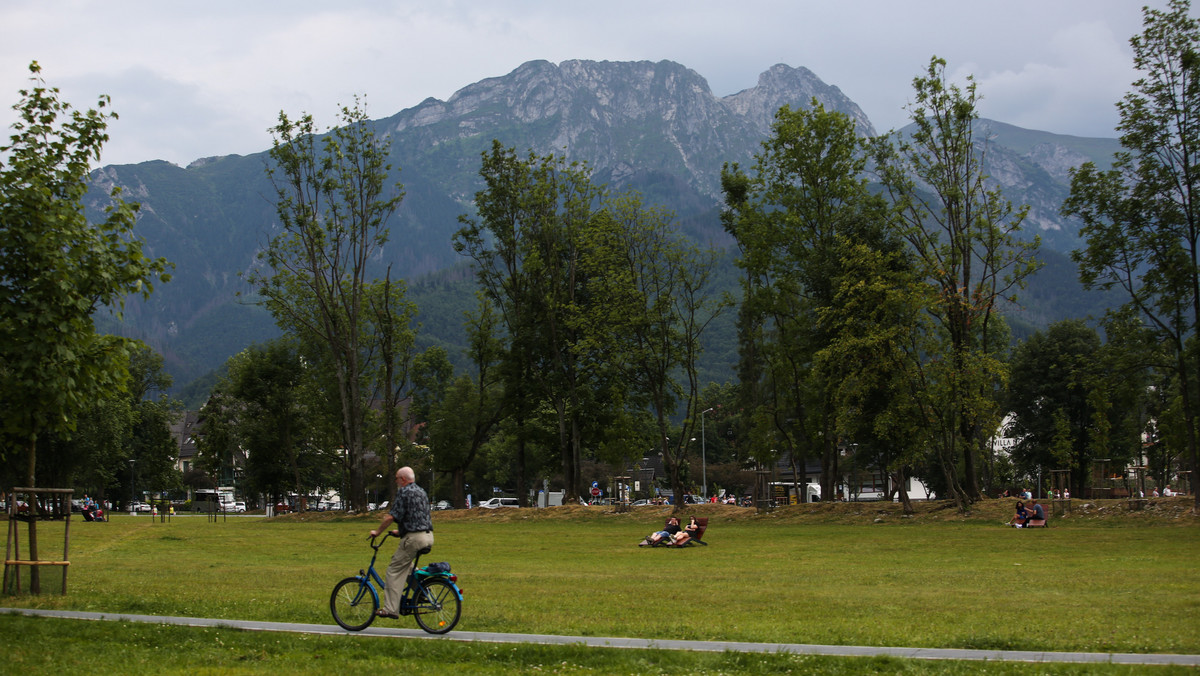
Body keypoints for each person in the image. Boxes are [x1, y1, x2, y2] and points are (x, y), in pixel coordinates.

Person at [369, 467, 434, 619]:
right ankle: (423, 593)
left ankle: (390, 609)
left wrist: (377, 532)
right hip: (427, 536)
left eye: (397, 478)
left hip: (414, 539)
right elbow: (417, 516)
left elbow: (391, 517)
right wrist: (401, 531)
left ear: (403, 479)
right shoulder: (421, 492)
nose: (396, 481)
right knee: (408, 566)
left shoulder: (404, 492)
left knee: (394, 570)